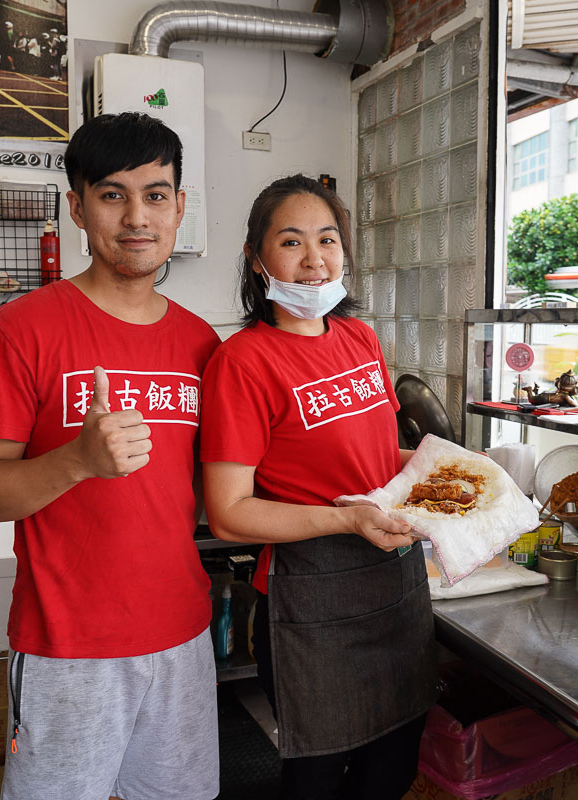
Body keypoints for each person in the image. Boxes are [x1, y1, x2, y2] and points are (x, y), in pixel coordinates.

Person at [0, 112, 221, 800]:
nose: (137, 216)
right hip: (65, 649)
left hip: (182, 636)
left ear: (179, 208)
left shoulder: (202, 345)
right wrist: (76, 460)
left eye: (156, 195)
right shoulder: (21, 329)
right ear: (77, 207)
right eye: (112, 195)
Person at [201, 174, 438, 800]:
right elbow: (227, 513)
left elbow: (380, 453)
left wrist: (459, 470)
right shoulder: (243, 361)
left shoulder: (360, 339)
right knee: (317, 778)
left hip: (394, 579)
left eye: (328, 240)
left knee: (393, 766)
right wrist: (346, 519)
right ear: (257, 261)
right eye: (291, 242)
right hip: (312, 597)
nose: (314, 260)